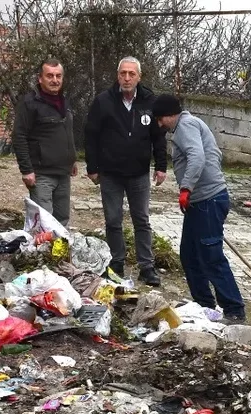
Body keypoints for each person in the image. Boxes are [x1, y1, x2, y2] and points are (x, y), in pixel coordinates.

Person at [151, 94, 246, 323]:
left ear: (167, 115)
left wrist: (186, 188)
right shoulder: (191, 125)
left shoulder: (186, 126)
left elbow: (198, 156)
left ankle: (234, 310)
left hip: (209, 201)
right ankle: (204, 304)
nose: (159, 124)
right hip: (201, 201)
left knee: (211, 257)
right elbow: (214, 154)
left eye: (159, 119)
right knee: (190, 254)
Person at [84, 57, 167, 286]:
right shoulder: (103, 101)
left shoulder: (150, 101)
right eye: (123, 73)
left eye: (132, 74)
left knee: (142, 219)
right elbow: (91, 136)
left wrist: (161, 166)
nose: (127, 78)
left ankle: (147, 267)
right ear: (117, 76)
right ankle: (116, 262)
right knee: (113, 220)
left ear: (139, 76)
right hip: (110, 173)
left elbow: (158, 137)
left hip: (139, 173)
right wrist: (92, 167)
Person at [12, 58, 78, 226]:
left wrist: (72, 158)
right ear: (40, 78)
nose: (55, 80)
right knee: (44, 223)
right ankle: (41, 252)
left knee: (62, 221)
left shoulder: (65, 101)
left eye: (58, 76)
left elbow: (66, 131)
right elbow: (19, 136)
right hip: (41, 174)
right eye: (50, 76)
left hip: (64, 173)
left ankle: (59, 252)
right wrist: (26, 170)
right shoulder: (30, 103)